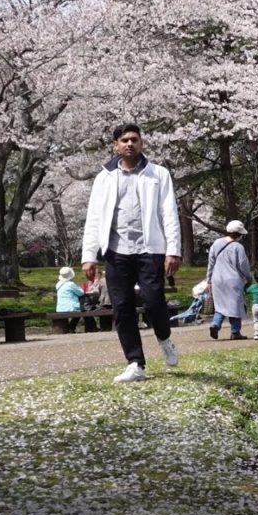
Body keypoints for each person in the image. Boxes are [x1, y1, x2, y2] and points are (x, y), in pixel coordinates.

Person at [81, 122, 181, 383]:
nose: (129, 144)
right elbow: (94, 217)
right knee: (122, 308)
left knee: (153, 301)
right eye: (124, 140)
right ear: (115, 145)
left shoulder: (158, 174)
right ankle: (135, 362)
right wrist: (88, 255)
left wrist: (173, 250)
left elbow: (169, 213)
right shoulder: (104, 177)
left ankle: (164, 337)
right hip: (116, 251)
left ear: (141, 143)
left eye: (134, 139)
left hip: (151, 249)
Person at [206, 220, 253, 340]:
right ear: (239, 234)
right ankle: (235, 332)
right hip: (233, 279)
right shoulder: (238, 247)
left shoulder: (216, 243)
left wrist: (209, 280)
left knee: (220, 305)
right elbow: (243, 265)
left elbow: (211, 263)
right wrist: (249, 278)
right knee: (236, 306)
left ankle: (215, 324)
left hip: (217, 279)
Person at [55, 267, 86, 333]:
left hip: (60, 308)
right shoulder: (71, 284)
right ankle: (71, 327)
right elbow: (81, 293)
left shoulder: (58, 284)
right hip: (71, 307)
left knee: (66, 315)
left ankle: (67, 328)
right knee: (79, 312)